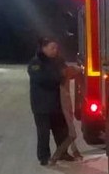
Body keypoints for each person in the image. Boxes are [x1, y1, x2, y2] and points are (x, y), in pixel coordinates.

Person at [27, 38, 70, 166]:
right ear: (43, 48)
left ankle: (63, 153)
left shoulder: (58, 61)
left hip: (56, 105)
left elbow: (66, 71)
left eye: (56, 48)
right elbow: (42, 79)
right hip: (41, 106)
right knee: (43, 132)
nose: (55, 51)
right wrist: (60, 76)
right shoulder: (35, 63)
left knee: (62, 130)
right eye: (52, 48)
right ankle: (44, 157)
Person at [51, 57, 84, 162]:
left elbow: (77, 69)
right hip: (63, 109)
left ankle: (74, 151)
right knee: (72, 134)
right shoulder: (65, 74)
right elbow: (77, 69)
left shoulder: (56, 76)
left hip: (61, 109)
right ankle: (57, 155)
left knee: (70, 132)